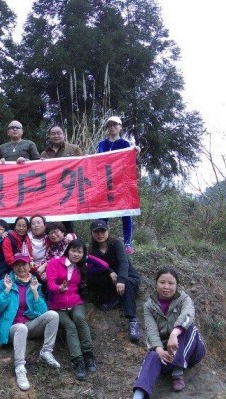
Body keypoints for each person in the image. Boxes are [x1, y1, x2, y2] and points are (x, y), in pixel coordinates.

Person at [129, 268, 206, 399]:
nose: (166, 287)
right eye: (162, 282)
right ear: (156, 283)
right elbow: (151, 331)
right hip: (168, 352)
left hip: (191, 351)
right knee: (152, 355)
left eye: (171, 283)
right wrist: (159, 350)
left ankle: (178, 372)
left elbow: (188, 316)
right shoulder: (149, 305)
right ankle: (138, 398)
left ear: (177, 285)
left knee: (190, 328)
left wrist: (174, 333)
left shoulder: (184, 299)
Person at [0, 253, 61, 391]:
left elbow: (43, 311)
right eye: (17, 265)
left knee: (53, 315)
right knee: (21, 328)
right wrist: (7, 290)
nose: (21, 268)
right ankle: (20, 367)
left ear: (29, 266)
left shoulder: (34, 283)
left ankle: (46, 352)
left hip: (30, 325)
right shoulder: (5, 282)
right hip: (12, 328)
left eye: (24, 264)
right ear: (13, 267)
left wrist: (35, 292)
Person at [46, 239, 96, 381]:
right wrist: (59, 288)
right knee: (70, 326)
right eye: (73, 250)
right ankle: (78, 360)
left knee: (79, 318)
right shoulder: (55, 263)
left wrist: (88, 257)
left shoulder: (80, 267)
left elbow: (103, 265)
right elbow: (50, 284)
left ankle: (89, 354)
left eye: (80, 252)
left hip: (75, 303)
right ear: (68, 250)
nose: (76, 254)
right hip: (57, 306)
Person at [87, 219, 141, 342]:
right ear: (92, 233)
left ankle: (132, 320)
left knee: (127, 282)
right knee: (92, 279)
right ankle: (114, 297)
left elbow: (124, 262)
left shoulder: (116, 243)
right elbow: (97, 265)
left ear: (108, 231)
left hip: (128, 277)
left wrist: (121, 279)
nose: (100, 234)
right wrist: (110, 271)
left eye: (103, 231)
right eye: (96, 232)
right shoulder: (93, 250)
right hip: (111, 279)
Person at [96, 116, 139, 254]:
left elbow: (131, 163)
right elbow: (96, 162)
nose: (112, 127)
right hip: (105, 184)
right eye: (109, 125)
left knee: (126, 212)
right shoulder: (101, 144)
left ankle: (127, 243)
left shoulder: (125, 144)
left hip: (121, 183)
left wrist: (135, 152)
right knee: (103, 213)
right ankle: (100, 242)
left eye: (115, 125)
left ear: (120, 127)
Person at [41, 125, 82, 233]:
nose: (56, 136)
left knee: (68, 220)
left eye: (59, 133)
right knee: (52, 221)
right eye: (53, 134)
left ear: (63, 135)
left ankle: (69, 239)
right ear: (50, 136)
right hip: (52, 192)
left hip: (69, 190)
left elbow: (82, 166)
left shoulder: (74, 149)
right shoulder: (45, 154)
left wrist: (86, 158)